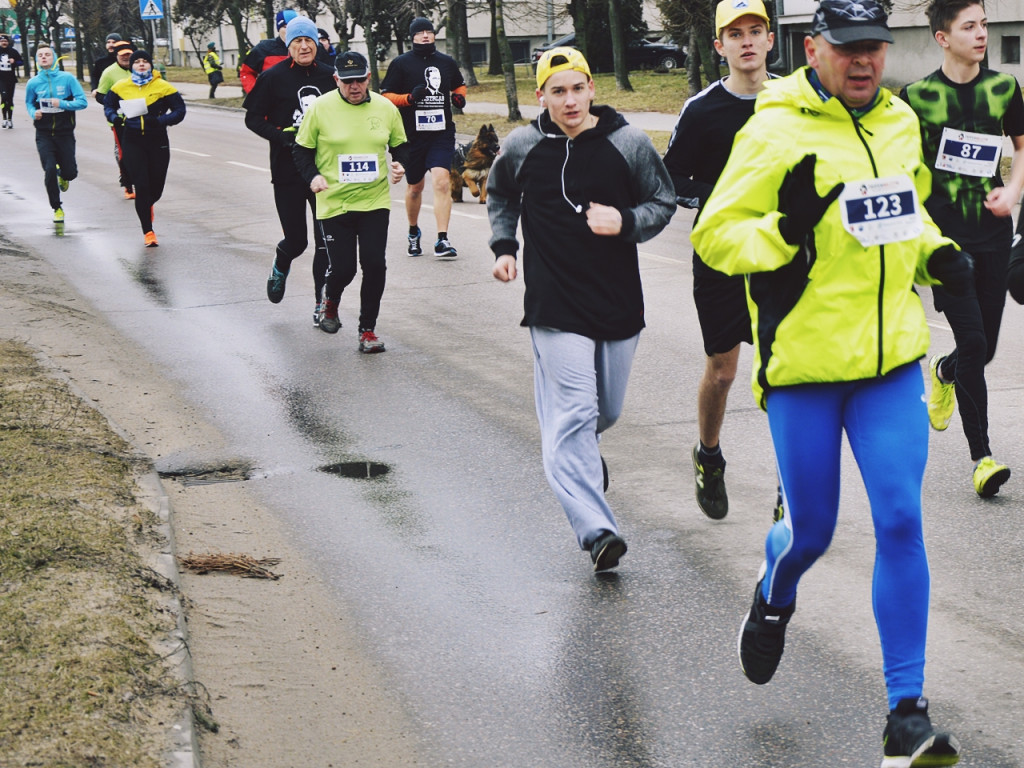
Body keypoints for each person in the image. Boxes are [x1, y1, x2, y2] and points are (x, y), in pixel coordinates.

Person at [690, 1, 968, 764]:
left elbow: (902, 218)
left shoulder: (899, 123)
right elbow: (714, 233)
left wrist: (938, 253)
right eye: (846, 48)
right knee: (810, 530)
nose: (863, 62)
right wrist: (784, 232)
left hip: (888, 364)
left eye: (874, 47)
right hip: (807, 371)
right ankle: (774, 597)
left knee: (902, 523)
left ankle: (904, 713)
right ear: (811, 48)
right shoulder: (773, 129)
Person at [486, 48, 675, 573]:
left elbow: (663, 201)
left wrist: (627, 221)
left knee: (604, 411)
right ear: (541, 96)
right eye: (556, 91)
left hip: (617, 301)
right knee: (574, 414)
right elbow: (499, 194)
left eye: (577, 88)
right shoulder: (523, 145)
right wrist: (505, 248)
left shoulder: (628, 143)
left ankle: (580, 460)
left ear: (592, 88)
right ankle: (598, 530)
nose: (568, 100)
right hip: (553, 303)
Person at [899, 0, 1023, 498]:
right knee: (973, 341)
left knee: (983, 349)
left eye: (985, 25)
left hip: (993, 234)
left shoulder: (1004, 88)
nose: (981, 34)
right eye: (969, 26)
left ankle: (945, 370)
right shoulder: (916, 96)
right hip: (945, 244)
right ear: (942, 37)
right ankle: (982, 457)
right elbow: (901, 166)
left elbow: (1022, 144)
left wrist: (1013, 191)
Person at [663, 0, 779, 521]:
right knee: (724, 370)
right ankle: (709, 454)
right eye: (736, 34)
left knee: (786, 374)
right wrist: (724, 195)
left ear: (771, 39)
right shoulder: (702, 109)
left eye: (756, 30)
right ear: (719, 46)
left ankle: (789, 491)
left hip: (783, 256)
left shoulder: (794, 102)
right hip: (720, 257)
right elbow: (671, 180)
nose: (747, 41)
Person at [292, 51, 408, 352]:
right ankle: (329, 302)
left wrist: (400, 165)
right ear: (336, 80)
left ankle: (367, 331)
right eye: (347, 82)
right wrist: (313, 176)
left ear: (369, 78)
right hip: (334, 202)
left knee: (374, 264)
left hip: (374, 201)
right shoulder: (319, 108)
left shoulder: (385, 108)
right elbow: (301, 150)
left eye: (360, 80)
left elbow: (400, 146)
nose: (354, 87)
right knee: (344, 269)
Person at [244, 16, 336, 322]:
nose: (304, 46)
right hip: (286, 171)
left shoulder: (330, 76)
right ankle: (281, 263)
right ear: (288, 46)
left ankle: (321, 303)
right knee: (298, 240)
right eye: (297, 41)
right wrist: (281, 136)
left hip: (324, 171)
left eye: (309, 40)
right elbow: (253, 119)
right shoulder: (272, 77)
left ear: (317, 43)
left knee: (326, 241)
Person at [381, 17, 467, 259]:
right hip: (412, 136)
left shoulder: (446, 62)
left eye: (429, 32)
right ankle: (413, 231)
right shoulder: (401, 64)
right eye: (420, 33)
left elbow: (459, 86)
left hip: (441, 133)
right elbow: (386, 95)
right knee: (415, 187)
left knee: (441, 181)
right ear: (413, 37)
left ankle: (442, 239)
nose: (426, 36)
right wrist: (409, 99)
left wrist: (459, 98)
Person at [103, 50, 186, 247]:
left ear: (151, 65)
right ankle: (148, 232)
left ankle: (148, 204)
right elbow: (108, 106)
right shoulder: (120, 86)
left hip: (157, 140)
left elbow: (180, 110)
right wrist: (114, 118)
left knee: (155, 188)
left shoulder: (163, 86)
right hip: (132, 140)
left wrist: (161, 121)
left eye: (145, 61)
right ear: (131, 66)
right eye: (137, 62)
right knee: (141, 186)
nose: (141, 64)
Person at [24, 45, 87, 222]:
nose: (44, 58)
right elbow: (29, 103)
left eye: (47, 55)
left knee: (70, 173)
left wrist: (62, 104)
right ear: (37, 60)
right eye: (40, 55)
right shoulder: (33, 82)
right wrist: (32, 113)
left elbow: (82, 102)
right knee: (49, 169)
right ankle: (57, 208)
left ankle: (64, 176)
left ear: (54, 58)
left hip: (65, 133)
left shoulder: (67, 79)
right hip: (43, 134)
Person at [96, 39, 136, 199]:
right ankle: (127, 185)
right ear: (117, 56)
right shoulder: (109, 72)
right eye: (122, 56)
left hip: (141, 118)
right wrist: (116, 106)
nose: (126, 58)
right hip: (119, 120)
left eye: (129, 55)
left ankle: (141, 180)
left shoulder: (140, 69)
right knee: (124, 153)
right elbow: (100, 95)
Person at [239, 9, 297, 94]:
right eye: (285, 26)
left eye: (293, 26)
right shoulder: (264, 49)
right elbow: (246, 72)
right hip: (273, 104)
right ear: (278, 28)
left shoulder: (310, 48)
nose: (289, 30)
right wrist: (255, 94)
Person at [1, 33, 25, 129]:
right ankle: (4, 119)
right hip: (1, 78)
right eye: (2, 41)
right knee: (4, 97)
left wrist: (14, 61)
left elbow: (21, 62)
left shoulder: (13, 51)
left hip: (11, 78)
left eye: (5, 41)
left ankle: (10, 119)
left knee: (10, 99)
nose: (4, 43)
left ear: (8, 42)